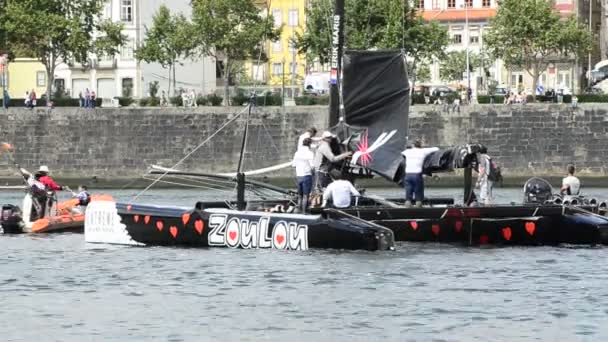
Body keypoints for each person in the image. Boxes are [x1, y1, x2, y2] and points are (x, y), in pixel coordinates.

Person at [401, 139, 439, 207]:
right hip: (417, 175)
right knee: (418, 194)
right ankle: (418, 208)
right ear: (420, 145)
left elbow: (401, 153)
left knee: (408, 194)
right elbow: (436, 148)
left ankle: (407, 208)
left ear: (413, 145)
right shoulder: (423, 151)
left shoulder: (407, 151)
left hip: (408, 175)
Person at [292, 138, 315, 213]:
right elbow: (312, 166)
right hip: (306, 175)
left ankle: (299, 211)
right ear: (309, 144)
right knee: (305, 196)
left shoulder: (297, 153)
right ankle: (304, 212)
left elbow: (294, 165)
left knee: (300, 196)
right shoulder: (310, 153)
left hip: (299, 176)